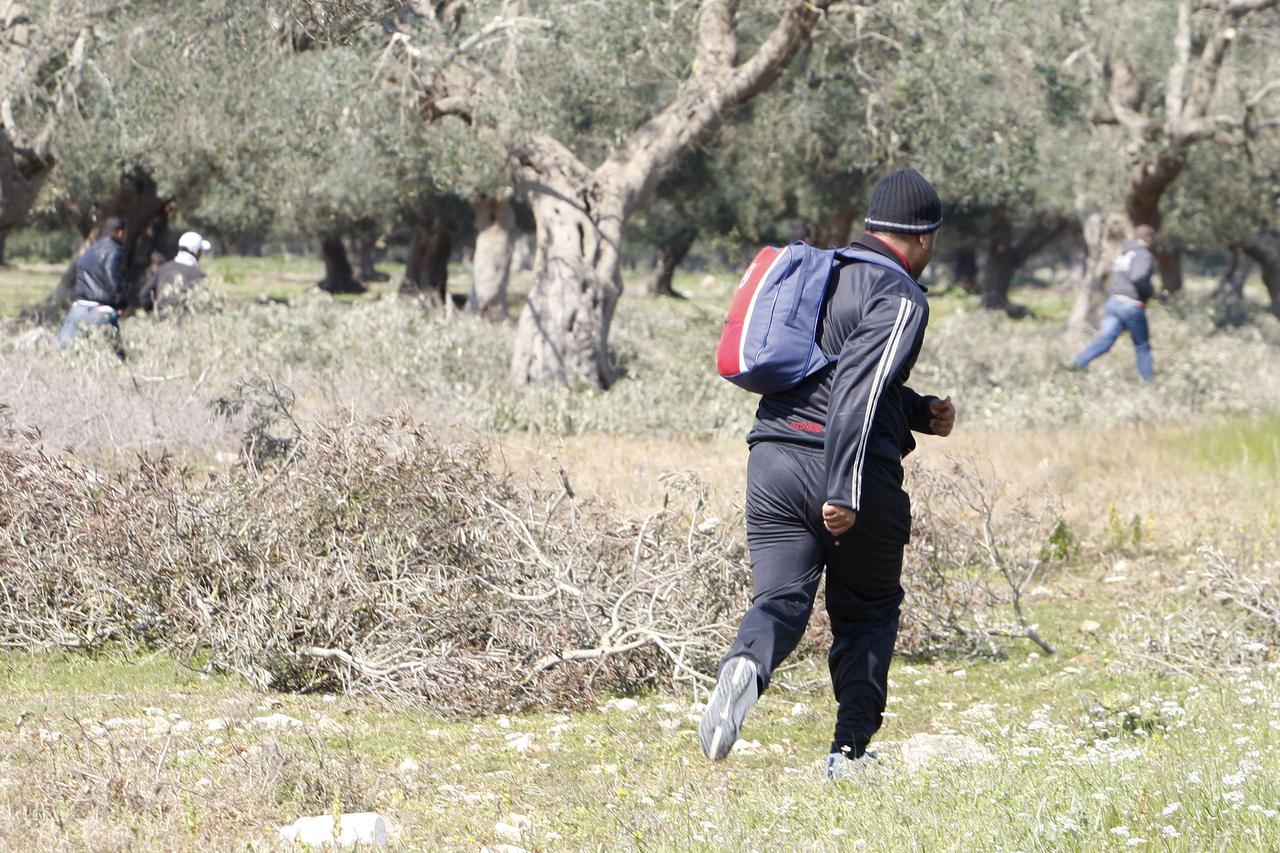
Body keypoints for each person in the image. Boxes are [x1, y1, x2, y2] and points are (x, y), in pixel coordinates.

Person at [699, 168, 957, 779]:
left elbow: (831, 370)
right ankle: (849, 753)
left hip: (772, 459)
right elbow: (856, 387)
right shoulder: (901, 296)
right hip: (847, 471)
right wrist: (844, 489)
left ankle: (746, 662)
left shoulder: (821, 273)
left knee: (781, 600)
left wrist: (919, 411)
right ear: (923, 238)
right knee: (868, 610)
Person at [1070, 225, 1160, 382]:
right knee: (1142, 345)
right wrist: (1151, 293)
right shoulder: (1143, 254)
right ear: (1148, 238)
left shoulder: (1126, 253)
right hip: (1131, 304)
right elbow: (1138, 278)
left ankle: (1076, 364)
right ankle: (1148, 381)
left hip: (1115, 301)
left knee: (1105, 339)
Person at [58, 216, 129, 359]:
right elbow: (111, 273)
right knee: (117, 359)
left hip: (79, 308)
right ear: (120, 233)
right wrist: (121, 302)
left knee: (65, 355)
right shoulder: (116, 249)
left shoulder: (90, 249)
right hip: (102, 310)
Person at [139, 231, 211, 312]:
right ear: (196, 252)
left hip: (161, 321)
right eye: (201, 251)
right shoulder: (198, 275)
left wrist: (156, 313)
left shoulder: (162, 269)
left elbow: (144, 296)